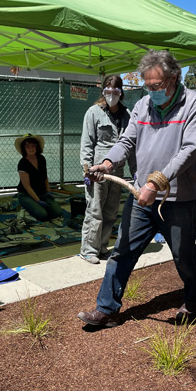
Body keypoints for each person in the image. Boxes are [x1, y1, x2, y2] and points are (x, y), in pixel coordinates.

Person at [77, 49, 196, 327]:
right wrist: (107, 163)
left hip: (177, 200)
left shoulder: (195, 103)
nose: (151, 92)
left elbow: (189, 150)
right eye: (147, 86)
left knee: (183, 255)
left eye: (156, 86)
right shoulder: (142, 106)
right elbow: (127, 141)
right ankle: (106, 309)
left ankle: (194, 302)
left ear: (174, 78)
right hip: (140, 197)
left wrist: (155, 182)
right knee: (122, 251)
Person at [79, 75, 134, 264]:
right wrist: (86, 170)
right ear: (103, 92)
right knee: (95, 209)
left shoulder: (127, 115)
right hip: (97, 171)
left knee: (110, 210)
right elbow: (87, 143)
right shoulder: (93, 113)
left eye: (115, 92)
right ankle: (88, 249)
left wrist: (135, 171)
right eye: (108, 91)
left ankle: (102, 247)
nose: (112, 95)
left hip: (117, 171)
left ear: (121, 93)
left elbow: (132, 145)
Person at [15, 133, 62, 221]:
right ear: (24, 149)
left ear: (37, 147)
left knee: (57, 213)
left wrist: (48, 191)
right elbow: (27, 187)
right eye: (28, 146)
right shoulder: (22, 163)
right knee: (42, 215)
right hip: (26, 195)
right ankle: (25, 209)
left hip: (42, 193)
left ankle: (36, 206)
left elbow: (45, 177)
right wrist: (38, 201)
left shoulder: (41, 159)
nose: (31, 148)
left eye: (33, 146)